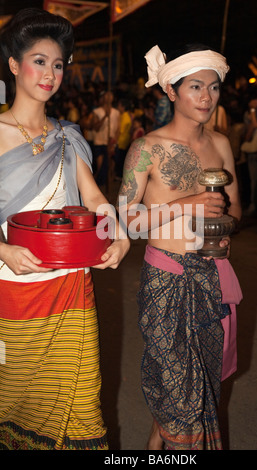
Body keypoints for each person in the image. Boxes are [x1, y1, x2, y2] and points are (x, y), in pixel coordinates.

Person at [0, 8, 129, 450]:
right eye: (39, 60)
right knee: (14, 400)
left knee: (77, 402)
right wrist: (3, 252)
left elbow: (93, 199)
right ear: (14, 65)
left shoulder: (65, 135)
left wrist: (117, 227)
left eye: (58, 64)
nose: (50, 73)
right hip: (13, 290)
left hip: (72, 287)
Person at [118, 43, 242, 450]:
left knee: (198, 391)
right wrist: (185, 205)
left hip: (212, 277)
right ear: (171, 91)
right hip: (165, 280)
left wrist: (226, 229)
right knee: (181, 400)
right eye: (194, 87)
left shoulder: (222, 145)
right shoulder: (146, 148)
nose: (206, 97)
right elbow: (127, 219)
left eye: (213, 87)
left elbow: (236, 208)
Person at [92, 90, 120, 186]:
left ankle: (110, 191)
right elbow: (95, 128)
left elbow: (118, 129)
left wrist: (114, 141)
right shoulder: (97, 112)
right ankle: (100, 187)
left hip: (110, 143)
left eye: (110, 95)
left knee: (111, 168)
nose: (109, 98)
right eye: (106, 96)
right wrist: (105, 116)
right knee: (101, 168)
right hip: (100, 142)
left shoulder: (116, 112)